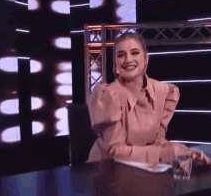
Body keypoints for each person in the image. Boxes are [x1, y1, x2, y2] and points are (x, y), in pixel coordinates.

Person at [86, 32, 210, 165]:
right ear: (115, 65)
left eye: (135, 53)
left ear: (146, 59)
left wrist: (182, 152)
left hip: (140, 168)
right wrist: (161, 154)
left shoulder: (162, 91)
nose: (128, 60)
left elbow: (157, 142)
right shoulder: (109, 95)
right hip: (105, 169)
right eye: (121, 55)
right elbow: (115, 151)